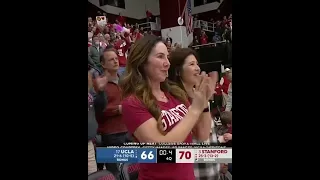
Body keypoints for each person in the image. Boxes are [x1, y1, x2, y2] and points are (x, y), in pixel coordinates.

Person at [120, 35, 213, 180]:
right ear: (142, 61)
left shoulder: (175, 93)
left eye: (167, 57)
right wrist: (195, 109)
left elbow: (202, 135)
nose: (167, 63)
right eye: (160, 56)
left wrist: (204, 104)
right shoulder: (132, 103)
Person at [168, 48, 219, 180]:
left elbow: (209, 132)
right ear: (178, 71)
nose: (197, 68)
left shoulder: (199, 94)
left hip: (212, 167)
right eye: (191, 64)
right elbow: (200, 134)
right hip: (194, 170)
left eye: (197, 64)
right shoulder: (177, 101)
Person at [96, 48, 131, 173]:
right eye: (111, 60)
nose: (116, 61)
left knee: (132, 171)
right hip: (111, 135)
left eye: (116, 58)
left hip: (129, 131)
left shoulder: (124, 80)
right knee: (116, 173)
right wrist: (118, 109)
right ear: (103, 64)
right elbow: (97, 110)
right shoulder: (98, 84)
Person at [88, 70, 108, 175]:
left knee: (93, 175)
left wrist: (101, 91)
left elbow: (100, 108)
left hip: (89, 143)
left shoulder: (90, 93)